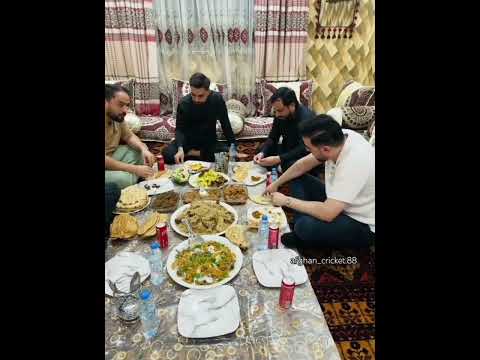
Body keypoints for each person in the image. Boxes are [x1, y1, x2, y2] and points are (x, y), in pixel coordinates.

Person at [265, 114, 375, 248]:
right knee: (296, 175)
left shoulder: (355, 162)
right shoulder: (341, 136)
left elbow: (328, 213)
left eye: (309, 148)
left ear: (326, 149)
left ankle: (303, 232)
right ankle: (305, 227)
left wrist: (286, 200)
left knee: (304, 226)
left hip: (361, 222)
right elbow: (301, 165)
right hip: (338, 201)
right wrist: (276, 184)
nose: (307, 150)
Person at [162, 73, 242, 164]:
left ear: (208, 91)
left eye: (200, 96)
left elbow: (225, 124)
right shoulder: (184, 103)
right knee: (167, 154)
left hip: (208, 143)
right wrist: (180, 148)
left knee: (227, 155)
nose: (196, 99)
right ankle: (194, 154)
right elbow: (179, 129)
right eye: (193, 95)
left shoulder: (217, 99)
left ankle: (191, 154)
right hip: (188, 143)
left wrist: (233, 146)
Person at [105, 84, 156, 189]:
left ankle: (135, 176)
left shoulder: (117, 117)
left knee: (139, 152)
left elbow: (129, 136)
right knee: (123, 179)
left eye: (127, 105)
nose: (125, 110)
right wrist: (134, 169)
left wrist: (143, 149)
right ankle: (132, 178)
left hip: (112, 156)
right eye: (120, 104)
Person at [253, 87, 316, 172]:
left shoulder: (307, 118)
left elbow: (303, 148)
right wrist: (263, 152)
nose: (277, 115)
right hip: (287, 149)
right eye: (275, 111)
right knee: (262, 149)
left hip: (302, 154)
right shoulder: (279, 115)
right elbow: (273, 136)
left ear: (292, 106)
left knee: (291, 164)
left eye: (280, 110)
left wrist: (279, 159)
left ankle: (281, 168)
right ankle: (279, 167)